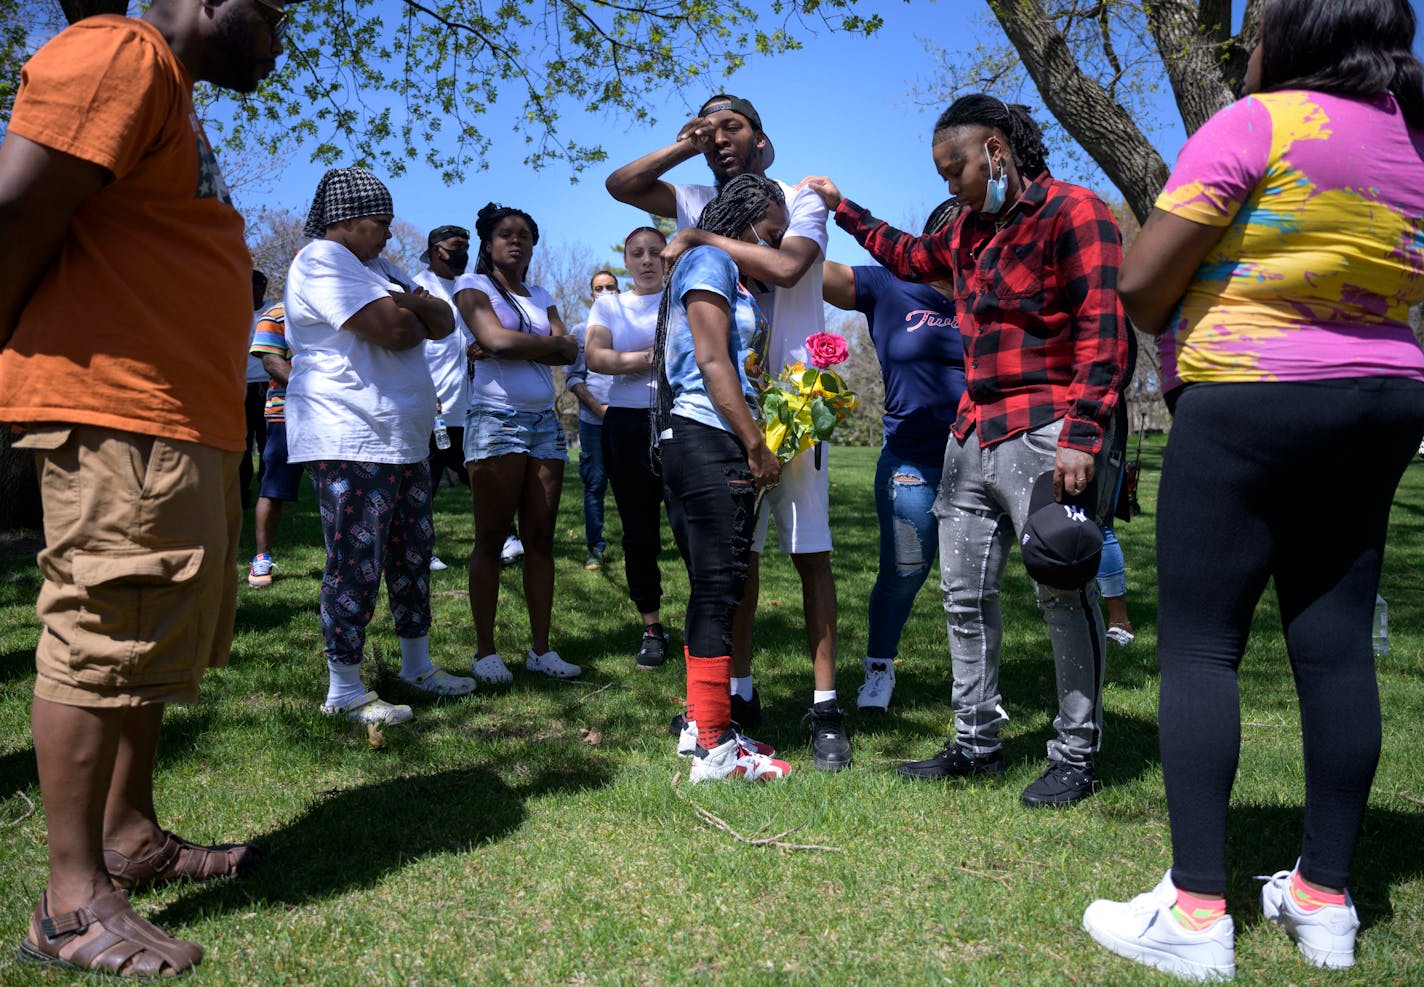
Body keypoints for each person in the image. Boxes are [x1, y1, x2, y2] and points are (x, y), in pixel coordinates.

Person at [1082, 0, 1424, 978]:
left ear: (1297, 33)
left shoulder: (1258, 122)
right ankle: (1322, 901)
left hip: (1250, 394)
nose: (1247, 39)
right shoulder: (1411, 141)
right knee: (1332, 647)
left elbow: (1144, 284)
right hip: (1384, 401)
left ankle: (1195, 914)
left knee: (1200, 643)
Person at [0, 0, 286, 975]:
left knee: (147, 633)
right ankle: (73, 904)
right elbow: (13, 212)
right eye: (273, 5)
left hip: (179, 417)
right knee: (101, 630)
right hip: (119, 404)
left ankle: (127, 837)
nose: (283, 21)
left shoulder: (167, 88)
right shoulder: (118, 51)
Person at [801, 93, 1130, 806]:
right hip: (970, 437)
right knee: (962, 596)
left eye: (955, 169)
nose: (948, 184)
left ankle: (1076, 753)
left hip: (1048, 432)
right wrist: (843, 206)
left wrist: (1082, 434)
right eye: (941, 172)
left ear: (996, 152)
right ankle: (975, 741)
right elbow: (906, 253)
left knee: (1063, 592)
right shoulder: (968, 236)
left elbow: (1105, 330)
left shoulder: (1076, 212)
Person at [608, 93, 851, 772]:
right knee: (726, 569)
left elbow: (788, 266)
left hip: (794, 400)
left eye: (732, 126)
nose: (718, 138)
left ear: (762, 138)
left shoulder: (793, 196)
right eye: (707, 129)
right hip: (723, 418)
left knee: (809, 554)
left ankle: (824, 705)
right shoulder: (692, 200)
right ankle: (727, 708)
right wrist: (686, 146)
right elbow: (621, 184)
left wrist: (702, 235)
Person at [285, 167, 477, 725]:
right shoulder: (321, 260)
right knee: (355, 562)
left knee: (412, 554)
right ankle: (343, 688)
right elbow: (394, 330)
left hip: (402, 435)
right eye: (380, 224)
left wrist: (410, 307)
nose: (389, 237)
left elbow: (443, 322)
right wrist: (410, 309)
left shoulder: (379, 266)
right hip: (350, 433)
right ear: (344, 220)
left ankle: (416, 666)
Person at [654, 174, 791, 782]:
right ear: (748, 217)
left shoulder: (726, 269)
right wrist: (756, 443)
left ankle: (702, 726)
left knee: (717, 583)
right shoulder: (708, 259)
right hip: (708, 435)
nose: (778, 244)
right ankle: (715, 747)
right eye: (774, 230)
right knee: (719, 585)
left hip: (711, 437)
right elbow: (711, 360)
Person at [819, 198, 964, 712]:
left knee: (972, 583)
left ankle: (976, 690)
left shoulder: (989, 298)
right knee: (904, 573)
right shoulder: (888, 287)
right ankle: (879, 668)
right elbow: (805, 270)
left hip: (978, 460)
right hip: (912, 463)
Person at [455, 202, 581, 684]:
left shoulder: (542, 294)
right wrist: (534, 345)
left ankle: (540, 649)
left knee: (540, 540)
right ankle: (485, 651)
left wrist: (513, 342)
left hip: (544, 422)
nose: (516, 241)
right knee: (490, 538)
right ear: (488, 244)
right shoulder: (473, 287)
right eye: (506, 234)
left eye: (525, 235)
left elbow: (567, 347)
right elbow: (499, 341)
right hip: (495, 419)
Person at [585, 229, 672, 669]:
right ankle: (652, 626)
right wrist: (652, 357)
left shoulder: (684, 298)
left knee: (693, 529)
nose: (647, 260)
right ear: (626, 261)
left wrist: (629, 357)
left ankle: (706, 625)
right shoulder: (610, 304)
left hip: (681, 422)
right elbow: (596, 357)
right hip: (627, 424)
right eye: (636, 254)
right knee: (639, 533)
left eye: (656, 252)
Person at [412, 223, 475, 573]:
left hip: (468, 405)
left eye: (466, 245)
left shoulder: (470, 288)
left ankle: (504, 539)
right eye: (456, 245)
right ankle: (422, 550)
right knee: (427, 483)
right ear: (437, 250)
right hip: (432, 404)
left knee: (478, 474)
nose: (462, 252)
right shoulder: (417, 289)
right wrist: (427, 393)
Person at [247, 299, 308, 587]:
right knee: (273, 488)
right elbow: (271, 361)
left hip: (334, 417)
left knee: (339, 489)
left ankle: (346, 555)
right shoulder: (276, 314)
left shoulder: (339, 308)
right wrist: (314, 391)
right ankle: (261, 559)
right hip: (286, 413)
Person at [567, 271, 618, 570]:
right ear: (591, 294)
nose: (605, 292)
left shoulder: (628, 327)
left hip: (628, 419)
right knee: (595, 484)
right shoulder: (579, 330)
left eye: (610, 287)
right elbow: (574, 379)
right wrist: (600, 410)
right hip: (593, 422)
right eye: (599, 288)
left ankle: (636, 544)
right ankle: (595, 547)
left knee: (632, 484)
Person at [241, 269, 271, 509]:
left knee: (265, 442)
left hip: (267, 384)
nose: (250, 291)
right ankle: (241, 492)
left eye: (254, 287)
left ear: (262, 288)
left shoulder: (272, 312)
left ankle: (266, 491)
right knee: (243, 441)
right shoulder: (234, 311)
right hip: (241, 384)